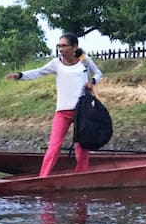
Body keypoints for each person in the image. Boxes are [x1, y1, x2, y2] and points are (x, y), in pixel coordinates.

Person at [6, 33, 102, 177]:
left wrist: (92, 82)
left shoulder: (83, 59)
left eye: (64, 45)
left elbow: (98, 73)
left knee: (81, 149)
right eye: (59, 46)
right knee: (54, 147)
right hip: (62, 112)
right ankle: (43, 177)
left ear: (74, 47)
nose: (60, 49)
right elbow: (38, 72)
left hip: (81, 111)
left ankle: (82, 176)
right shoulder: (56, 63)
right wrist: (20, 75)